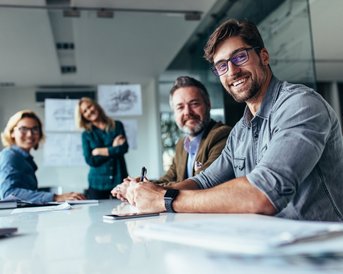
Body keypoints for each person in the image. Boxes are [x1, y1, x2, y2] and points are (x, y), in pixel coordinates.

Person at [112, 18, 343, 221]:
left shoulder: (299, 105)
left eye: (239, 57)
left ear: (264, 56)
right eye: (221, 66)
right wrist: (148, 191)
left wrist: (165, 199)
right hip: (271, 246)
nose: (232, 71)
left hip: (321, 253)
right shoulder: (240, 131)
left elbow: (263, 194)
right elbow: (203, 182)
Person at [113, 76, 231, 196]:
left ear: (208, 104)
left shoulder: (221, 135)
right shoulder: (182, 144)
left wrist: (140, 189)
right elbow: (168, 179)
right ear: (174, 113)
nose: (187, 112)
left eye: (194, 104)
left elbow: (202, 182)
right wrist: (138, 183)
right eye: (180, 107)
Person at [0, 110, 85, 204]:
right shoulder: (10, 156)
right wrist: (55, 197)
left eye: (35, 129)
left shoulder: (24, 158)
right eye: (23, 129)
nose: (30, 134)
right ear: (12, 132)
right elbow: (8, 193)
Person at [76, 97, 128, 199]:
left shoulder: (117, 125)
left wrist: (99, 151)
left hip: (119, 179)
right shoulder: (86, 134)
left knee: (124, 211)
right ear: (83, 116)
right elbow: (91, 160)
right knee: (96, 214)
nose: (89, 111)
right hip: (97, 183)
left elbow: (123, 148)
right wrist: (113, 147)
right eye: (84, 111)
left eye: (89, 106)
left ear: (95, 105)